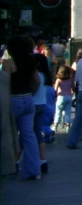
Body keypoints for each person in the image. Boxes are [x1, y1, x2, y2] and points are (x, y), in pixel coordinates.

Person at [3, 36, 41, 180]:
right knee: (29, 135)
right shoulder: (30, 61)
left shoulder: (8, 62)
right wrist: (31, 93)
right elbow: (37, 80)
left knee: (10, 134)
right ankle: (34, 170)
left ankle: (10, 165)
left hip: (13, 99)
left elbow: (4, 84)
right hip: (28, 99)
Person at [32, 54, 52, 173]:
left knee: (27, 133)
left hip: (33, 103)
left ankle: (18, 161)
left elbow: (35, 86)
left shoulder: (36, 75)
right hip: (42, 104)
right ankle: (43, 160)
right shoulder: (45, 75)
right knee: (38, 133)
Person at [53, 65, 74, 132]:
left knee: (58, 112)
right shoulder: (70, 80)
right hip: (69, 96)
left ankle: (55, 126)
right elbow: (73, 88)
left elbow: (55, 89)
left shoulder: (59, 80)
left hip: (61, 97)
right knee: (68, 112)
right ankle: (68, 127)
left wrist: (55, 96)